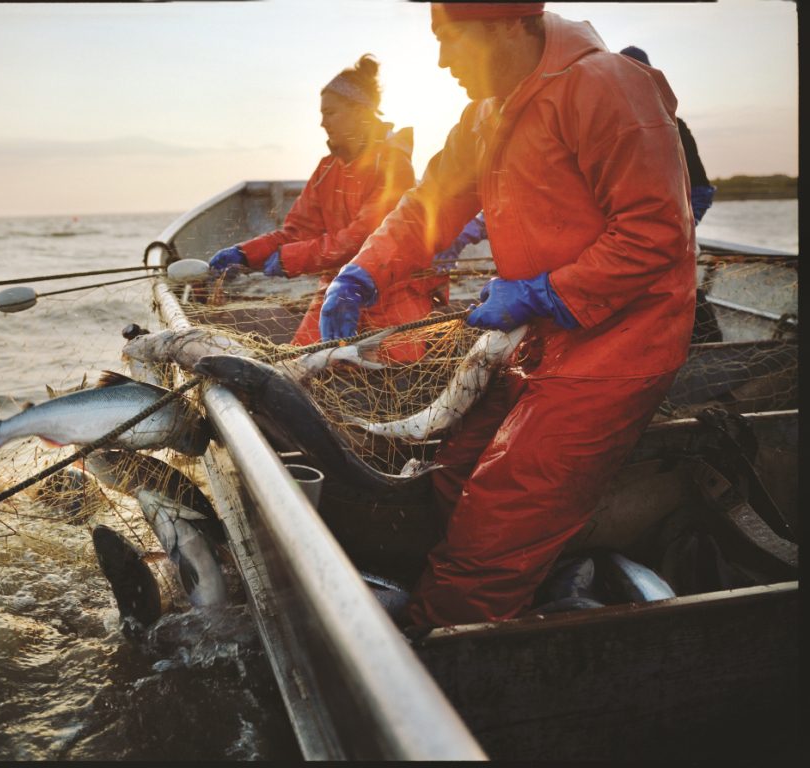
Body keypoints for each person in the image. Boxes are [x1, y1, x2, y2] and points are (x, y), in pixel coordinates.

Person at [319, 2, 697, 628]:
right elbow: (427, 206)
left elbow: (655, 232)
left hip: (621, 342)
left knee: (502, 507)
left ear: (504, 24)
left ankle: (441, 651)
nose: (441, 62)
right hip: (533, 337)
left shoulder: (604, 87)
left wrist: (546, 292)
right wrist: (359, 272)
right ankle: (532, 581)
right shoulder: (485, 113)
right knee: (452, 471)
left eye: (450, 41)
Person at [208, 54, 446, 362]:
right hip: (336, 290)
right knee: (301, 364)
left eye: (330, 112)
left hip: (393, 291)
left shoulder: (392, 165)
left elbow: (361, 240)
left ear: (360, 112)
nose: (322, 122)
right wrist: (245, 253)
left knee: (397, 372)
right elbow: (296, 231)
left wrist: (290, 258)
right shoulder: (326, 168)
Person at [619, 46, 716, 225]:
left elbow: (700, 190)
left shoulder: (676, 127)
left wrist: (684, 228)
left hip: (667, 233)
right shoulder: (606, 130)